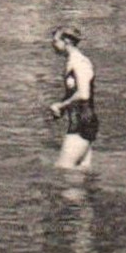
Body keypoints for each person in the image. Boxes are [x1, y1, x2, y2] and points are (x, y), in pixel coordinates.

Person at [47, 25, 96, 169]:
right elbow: (74, 93)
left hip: (82, 122)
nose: (52, 44)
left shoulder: (79, 63)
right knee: (81, 170)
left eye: (55, 41)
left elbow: (83, 94)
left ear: (66, 41)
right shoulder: (71, 62)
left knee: (63, 169)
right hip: (81, 120)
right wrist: (62, 107)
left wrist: (60, 105)